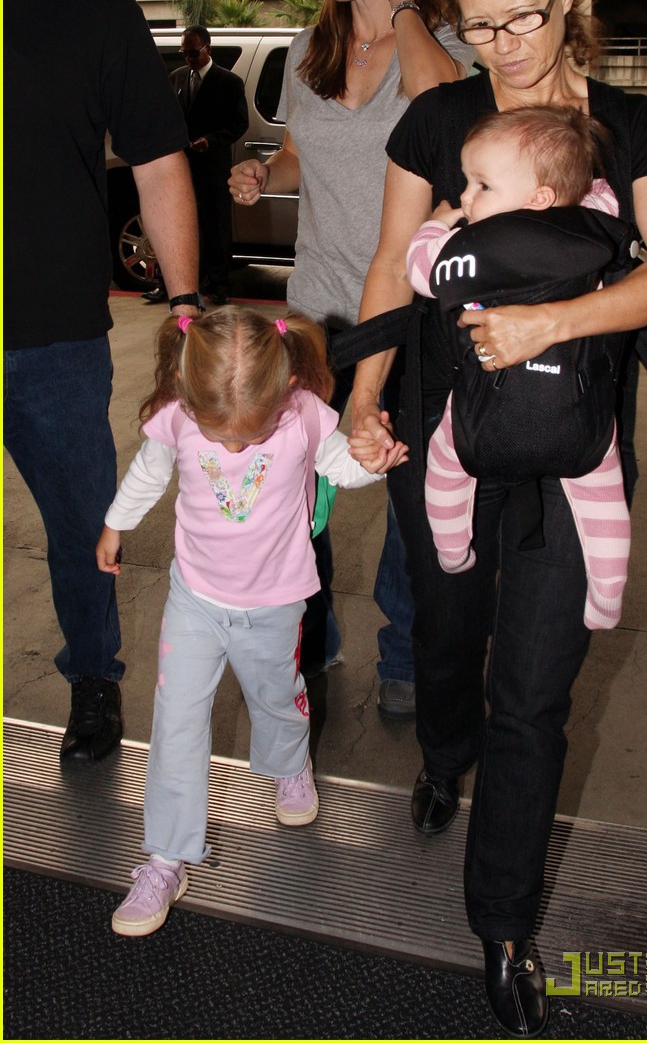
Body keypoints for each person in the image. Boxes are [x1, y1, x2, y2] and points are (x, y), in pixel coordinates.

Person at [349, 0, 647, 1038]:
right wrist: (361, 396)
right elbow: (391, 268)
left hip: (571, 443)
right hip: (442, 430)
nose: (503, 48)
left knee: (538, 690)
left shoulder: (629, 126)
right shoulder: (439, 119)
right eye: (477, 25)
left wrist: (552, 324)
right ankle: (440, 754)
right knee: (447, 632)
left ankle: (502, 929)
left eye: (523, 18)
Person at [228, 0, 473, 713]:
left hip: (413, 308)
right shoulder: (312, 49)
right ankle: (312, 633)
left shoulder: (443, 45)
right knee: (299, 485)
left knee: (407, 489)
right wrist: (265, 172)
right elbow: (301, 151)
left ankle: (403, 655)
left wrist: (403, 0)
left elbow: (442, 107)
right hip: (317, 305)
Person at [96, 306, 405, 937]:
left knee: (276, 696)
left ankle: (289, 765)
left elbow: (340, 468)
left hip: (276, 600)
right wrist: (114, 524)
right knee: (176, 720)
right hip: (195, 599)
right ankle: (166, 857)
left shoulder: (304, 413)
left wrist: (374, 462)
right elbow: (149, 472)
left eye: (249, 434)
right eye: (220, 434)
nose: (234, 447)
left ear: (287, 387)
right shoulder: (178, 416)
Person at [3, 0, 201, 765]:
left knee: (84, 523)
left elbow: (159, 162)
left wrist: (186, 304)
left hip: (54, 335)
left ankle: (93, 680)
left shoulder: (91, 4)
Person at [406, 104, 631, 630]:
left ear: (539, 198)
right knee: (602, 495)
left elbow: (418, 272)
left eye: (482, 185)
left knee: (444, 465)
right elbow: (603, 196)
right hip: (578, 406)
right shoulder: (594, 228)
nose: (466, 197)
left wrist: (433, 226)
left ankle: (452, 550)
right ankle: (606, 594)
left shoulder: (474, 250)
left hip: (484, 413)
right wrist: (586, 186)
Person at [144, 26, 249, 307]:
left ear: (208, 49)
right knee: (175, 224)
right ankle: (168, 284)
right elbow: (166, 118)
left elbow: (239, 123)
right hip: (181, 165)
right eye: (184, 53)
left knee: (215, 226)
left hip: (213, 166)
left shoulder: (229, 82)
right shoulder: (177, 78)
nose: (188, 58)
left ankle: (219, 285)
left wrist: (211, 141)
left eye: (193, 53)